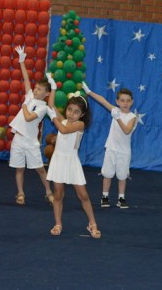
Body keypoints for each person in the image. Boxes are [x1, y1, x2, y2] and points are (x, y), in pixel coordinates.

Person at [46, 82, 101, 238]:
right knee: (58, 194)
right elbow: (51, 105)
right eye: (69, 110)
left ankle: (92, 224)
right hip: (58, 160)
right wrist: (53, 88)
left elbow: (63, 130)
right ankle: (58, 223)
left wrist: (53, 117)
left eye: (76, 112)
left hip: (72, 161)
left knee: (83, 194)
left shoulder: (79, 125)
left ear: (82, 115)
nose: (71, 114)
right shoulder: (63, 120)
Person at [9, 46, 53, 206]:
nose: (35, 90)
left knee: (40, 168)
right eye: (36, 88)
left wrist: (24, 106)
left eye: (40, 89)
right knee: (19, 168)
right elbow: (26, 78)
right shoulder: (30, 96)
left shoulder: (42, 107)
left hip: (31, 141)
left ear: (46, 94)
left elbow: (28, 118)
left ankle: (49, 192)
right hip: (18, 139)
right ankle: (20, 193)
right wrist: (22, 60)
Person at [82, 82, 136, 209]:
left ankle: (121, 198)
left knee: (122, 176)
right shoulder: (115, 110)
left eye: (128, 101)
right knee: (107, 174)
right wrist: (89, 92)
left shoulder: (132, 117)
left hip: (124, 152)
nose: (125, 103)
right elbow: (103, 100)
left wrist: (118, 119)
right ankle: (105, 196)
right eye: (122, 100)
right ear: (117, 102)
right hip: (111, 149)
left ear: (132, 102)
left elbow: (127, 131)